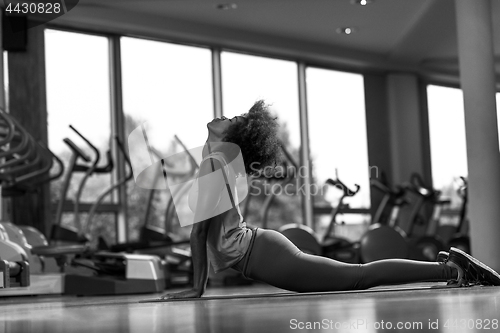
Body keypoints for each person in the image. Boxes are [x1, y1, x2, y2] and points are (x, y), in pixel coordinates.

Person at [161, 100, 500, 299]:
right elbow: (203, 231)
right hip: (261, 249)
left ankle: (450, 270)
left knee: (359, 277)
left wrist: (196, 289)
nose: (224, 116)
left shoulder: (214, 160)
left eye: (231, 120)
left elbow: (198, 233)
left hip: (259, 254)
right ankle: (449, 269)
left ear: (229, 136)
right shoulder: (217, 159)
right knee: (358, 275)